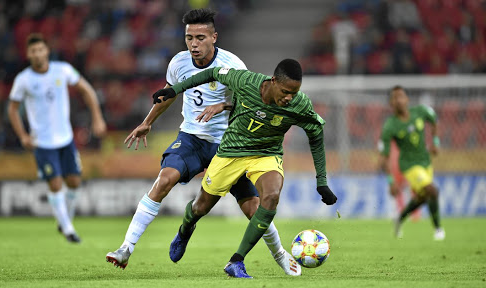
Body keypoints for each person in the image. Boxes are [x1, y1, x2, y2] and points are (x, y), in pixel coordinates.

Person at [105, 8, 301, 276]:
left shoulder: (233, 63)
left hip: (230, 145)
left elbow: (254, 102)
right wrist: (148, 121)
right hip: (192, 138)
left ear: (214, 37)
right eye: (189, 38)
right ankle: (126, 248)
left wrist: (222, 105)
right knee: (164, 180)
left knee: (253, 208)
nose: (194, 44)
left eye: (200, 38)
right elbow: (171, 93)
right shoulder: (178, 63)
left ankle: (280, 254)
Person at [135, 58, 338, 278]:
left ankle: (236, 261)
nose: (289, 98)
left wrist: (322, 181)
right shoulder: (245, 80)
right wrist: (175, 90)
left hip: (266, 154)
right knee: (200, 208)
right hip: (231, 152)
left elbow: (316, 135)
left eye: (294, 93)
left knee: (271, 196)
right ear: (273, 81)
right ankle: (186, 228)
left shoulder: (300, 104)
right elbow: (211, 73)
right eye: (285, 91)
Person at [8, 33, 106, 243]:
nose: (37, 54)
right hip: (42, 142)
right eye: (33, 51)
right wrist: (23, 135)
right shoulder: (23, 80)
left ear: (47, 51)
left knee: (74, 182)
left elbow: (86, 89)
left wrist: (97, 118)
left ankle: (65, 221)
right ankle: (68, 228)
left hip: (65, 139)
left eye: (40, 49)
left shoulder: (62, 70)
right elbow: (13, 109)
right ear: (28, 54)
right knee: (55, 184)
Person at [378, 85, 444, 241]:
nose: (399, 100)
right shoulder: (390, 126)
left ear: (407, 99)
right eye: (395, 98)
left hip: (425, 162)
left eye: (401, 96)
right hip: (409, 166)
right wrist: (390, 181)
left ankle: (400, 218)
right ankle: (438, 230)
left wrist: (435, 142)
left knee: (422, 197)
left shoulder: (420, 112)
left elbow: (434, 119)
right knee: (432, 191)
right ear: (391, 103)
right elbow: (383, 157)